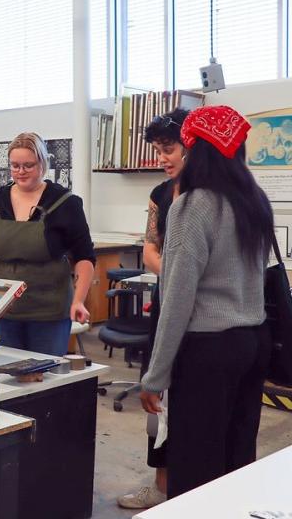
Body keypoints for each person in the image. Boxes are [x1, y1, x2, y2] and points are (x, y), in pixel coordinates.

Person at [140, 105, 273, 499]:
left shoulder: (192, 205)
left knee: (196, 466)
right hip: (252, 342)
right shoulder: (253, 199)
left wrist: (155, 375)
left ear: (196, 149)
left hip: (207, 350)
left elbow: (177, 296)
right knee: (237, 456)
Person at [118, 107, 188, 510]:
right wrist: (176, 273)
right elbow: (149, 251)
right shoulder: (160, 194)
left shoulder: (205, 194)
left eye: (169, 148)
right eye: (158, 150)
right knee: (157, 400)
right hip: (167, 300)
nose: (162, 158)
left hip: (198, 312)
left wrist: (181, 274)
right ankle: (160, 487)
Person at [0, 132, 95, 355]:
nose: (20, 171)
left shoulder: (66, 203)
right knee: (7, 376)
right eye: (15, 165)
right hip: (5, 309)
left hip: (50, 311)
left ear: (43, 164)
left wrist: (79, 301)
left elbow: (84, 257)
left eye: (28, 165)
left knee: (45, 377)